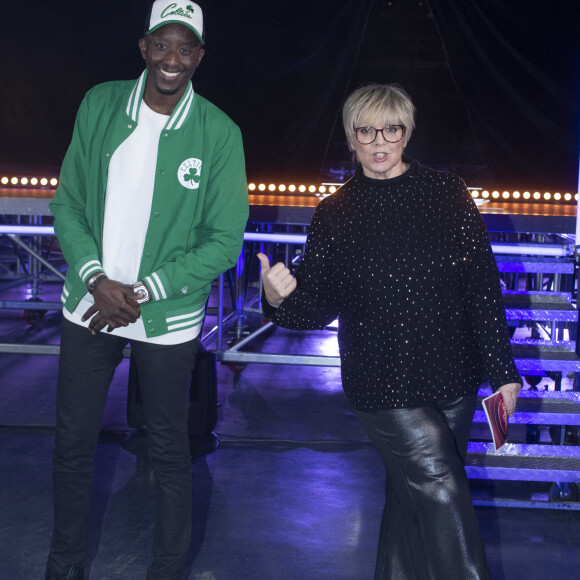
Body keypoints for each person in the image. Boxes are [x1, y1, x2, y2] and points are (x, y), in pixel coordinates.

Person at [258, 83, 521, 579]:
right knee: (440, 485)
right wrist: (276, 298)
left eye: (391, 129)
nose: (379, 141)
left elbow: (481, 289)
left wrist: (501, 371)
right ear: (351, 139)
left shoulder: (449, 194)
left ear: (407, 132)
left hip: (454, 381)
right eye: (366, 130)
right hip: (382, 383)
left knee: (412, 501)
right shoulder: (334, 214)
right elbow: (315, 306)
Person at [45, 1, 248, 578]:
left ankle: (166, 569)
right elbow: (69, 205)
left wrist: (141, 291)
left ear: (200, 57)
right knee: (73, 444)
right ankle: (62, 564)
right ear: (143, 47)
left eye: (186, 48)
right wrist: (96, 280)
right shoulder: (101, 104)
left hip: (168, 316)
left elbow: (223, 240)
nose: (172, 59)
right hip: (90, 305)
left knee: (168, 451)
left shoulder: (219, 133)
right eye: (162, 44)